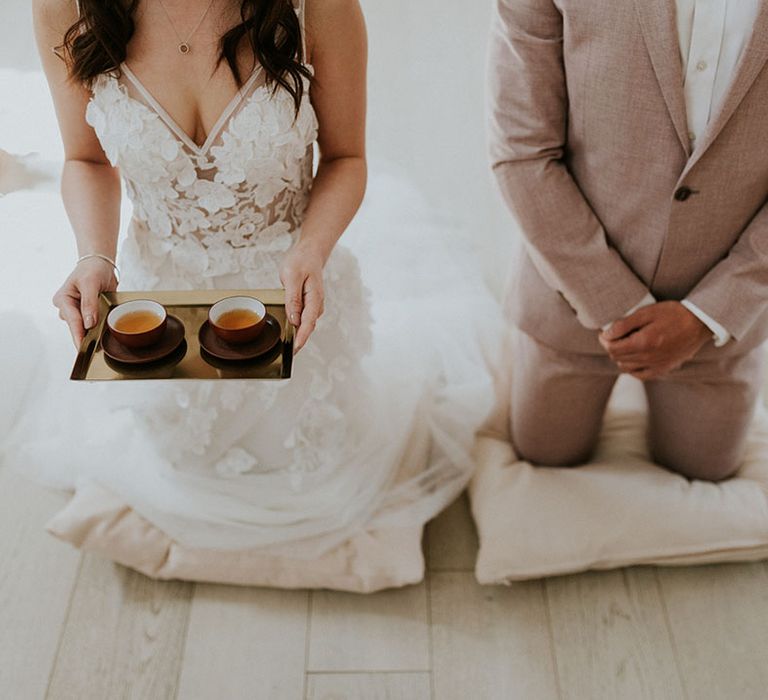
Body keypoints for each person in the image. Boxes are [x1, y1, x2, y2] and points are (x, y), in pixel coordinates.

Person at [2, 0, 495, 568]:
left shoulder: (318, 7)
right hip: (160, 309)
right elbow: (85, 159)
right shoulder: (65, 6)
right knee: (184, 460)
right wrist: (93, 255)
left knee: (309, 473)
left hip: (293, 299)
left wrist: (311, 250)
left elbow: (347, 156)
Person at [488, 0, 768, 482]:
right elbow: (521, 154)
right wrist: (620, 307)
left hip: (719, 315)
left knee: (707, 471)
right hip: (570, 295)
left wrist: (707, 315)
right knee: (544, 456)